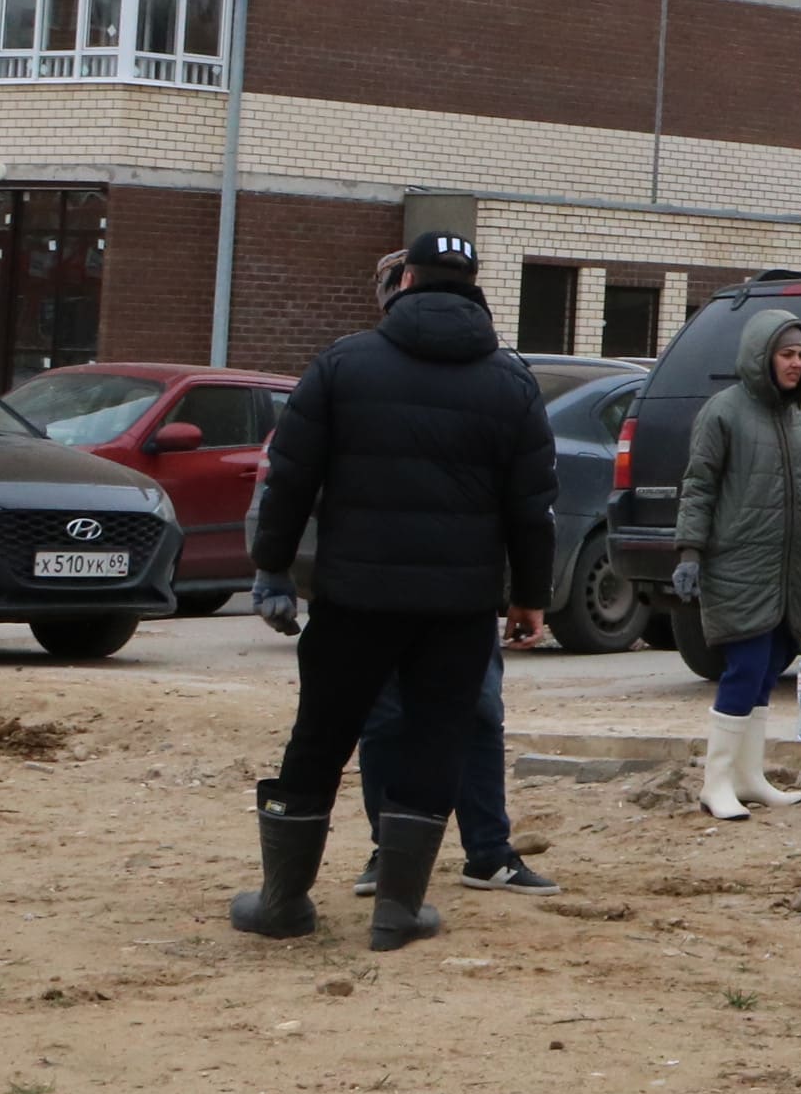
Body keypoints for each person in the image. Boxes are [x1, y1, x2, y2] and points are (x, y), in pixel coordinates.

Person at [225, 234, 555, 951]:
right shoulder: (511, 381)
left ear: (405, 280)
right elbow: (532, 505)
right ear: (474, 287)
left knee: (320, 739)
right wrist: (530, 596)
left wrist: (272, 566)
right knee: (436, 743)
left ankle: (283, 903)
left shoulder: (344, 365)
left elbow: (291, 478)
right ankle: (398, 912)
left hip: (354, 598)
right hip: (458, 609)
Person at [674, 306, 801, 823]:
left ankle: (748, 776)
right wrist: (690, 552)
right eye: (786, 354)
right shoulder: (723, 412)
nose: (795, 363)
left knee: (767, 669)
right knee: (743, 669)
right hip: (738, 565)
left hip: (789, 570)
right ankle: (715, 782)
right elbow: (698, 485)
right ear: (761, 356)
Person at [352, 610, 553, 895]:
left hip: (464, 595)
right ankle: (391, 854)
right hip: (380, 595)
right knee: (386, 717)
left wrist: (529, 596)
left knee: (478, 711)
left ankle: (488, 853)